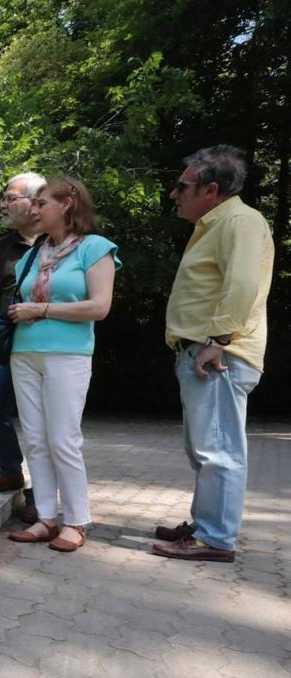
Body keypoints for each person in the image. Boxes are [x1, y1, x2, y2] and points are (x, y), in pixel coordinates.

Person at [0, 177, 118, 552]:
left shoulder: (95, 249)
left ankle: (75, 521)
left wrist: (42, 309)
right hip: (24, 354)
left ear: (67, 204)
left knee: (63, 439)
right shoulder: (32, 255)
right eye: (33, 204)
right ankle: (46, 519)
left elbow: (99, 307)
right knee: (36, 439)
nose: (34, 210)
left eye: (41, 204)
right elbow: (11, 305)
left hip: (67, 354)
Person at [152, 146, 273, 563]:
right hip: (206, 353)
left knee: (218, 449)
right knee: (205, 447)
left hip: (220, 355)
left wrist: (218, 342)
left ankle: (215, 539)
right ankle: (206, 526)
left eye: (182, 186)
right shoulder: (217, 223)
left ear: (212, 189)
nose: (174, 194)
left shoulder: (239, 221)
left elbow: (242, 286)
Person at [0, 173, 46, 523]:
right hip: (8, 346)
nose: (2, 204)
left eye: (9, 197)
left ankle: (40, 496)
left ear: (34, 203)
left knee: (41, 424)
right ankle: (11, 471)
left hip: (48, 348)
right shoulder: (0, 249)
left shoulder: (57, 241)